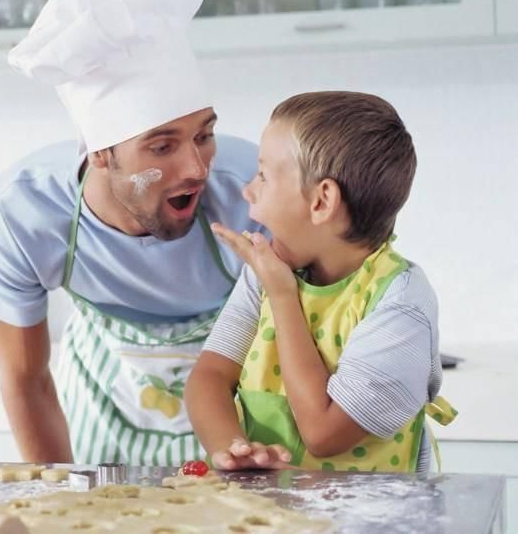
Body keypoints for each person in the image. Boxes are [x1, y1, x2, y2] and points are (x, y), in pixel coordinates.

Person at [0, 0, 261, 466]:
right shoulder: (25, 211)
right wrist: (60, 497)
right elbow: (25, 380)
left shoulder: (253, 190)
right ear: (100, 154)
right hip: (98, 419)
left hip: (235, 427)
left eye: (204, 135)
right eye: (161, 146)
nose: (196, 168)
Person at [187, 91, 456, 473]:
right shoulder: (265, 272)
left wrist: (283, 296)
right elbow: (209, 376)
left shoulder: (401, 302)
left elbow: (323, 433)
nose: (248, 190)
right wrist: (233, 448)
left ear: (321, 201)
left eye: (263, 174)